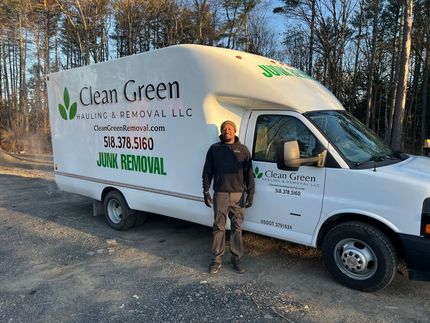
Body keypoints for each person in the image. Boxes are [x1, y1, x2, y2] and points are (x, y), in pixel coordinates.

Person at [202, 120, 255, 274]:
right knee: (218, 227)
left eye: (230, 128)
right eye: (224, 128)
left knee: (237, 227)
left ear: (235, 130)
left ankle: (236, 258)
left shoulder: (243, 150)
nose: (227, 131)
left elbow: (249, 174)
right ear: (221, 131)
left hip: (238, 195)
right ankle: (216, 259)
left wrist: (251, 193)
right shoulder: (214, 149)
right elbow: (207, 172)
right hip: (221, 194)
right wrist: (206, 191)